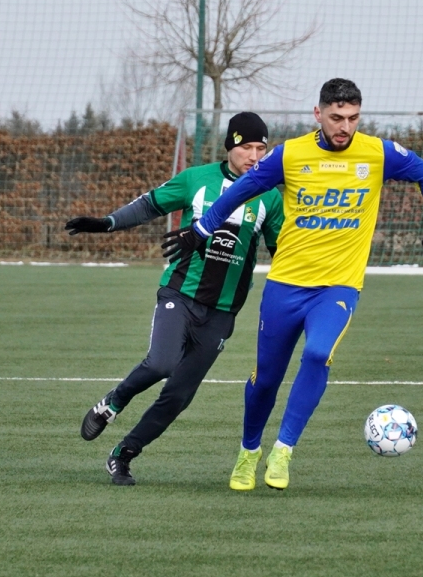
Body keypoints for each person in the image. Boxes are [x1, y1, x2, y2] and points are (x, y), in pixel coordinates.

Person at [161, 78, 423, 491]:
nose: (344, 127)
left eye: (352, 118)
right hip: (285, 284)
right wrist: (202, 228)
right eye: (336, 117)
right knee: (266, 379)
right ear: (318, 114)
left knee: (317, 354)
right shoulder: (290, 155)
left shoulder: (378, 153)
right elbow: (242, 189)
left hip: (338, 287)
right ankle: (248, 452)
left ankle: (283, 450)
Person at [65, 112, 283, 486]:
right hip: (180, 294)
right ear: (229, 146)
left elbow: (282, 250)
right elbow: (150, 204)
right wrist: (107, 223)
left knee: (179, 396)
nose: (254, 156)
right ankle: (113, 402)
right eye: (246, 147)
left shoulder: (270, 196)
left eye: (260, 149)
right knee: (161, 362)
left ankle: (123, 455)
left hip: (223, 312)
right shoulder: (197, 179)